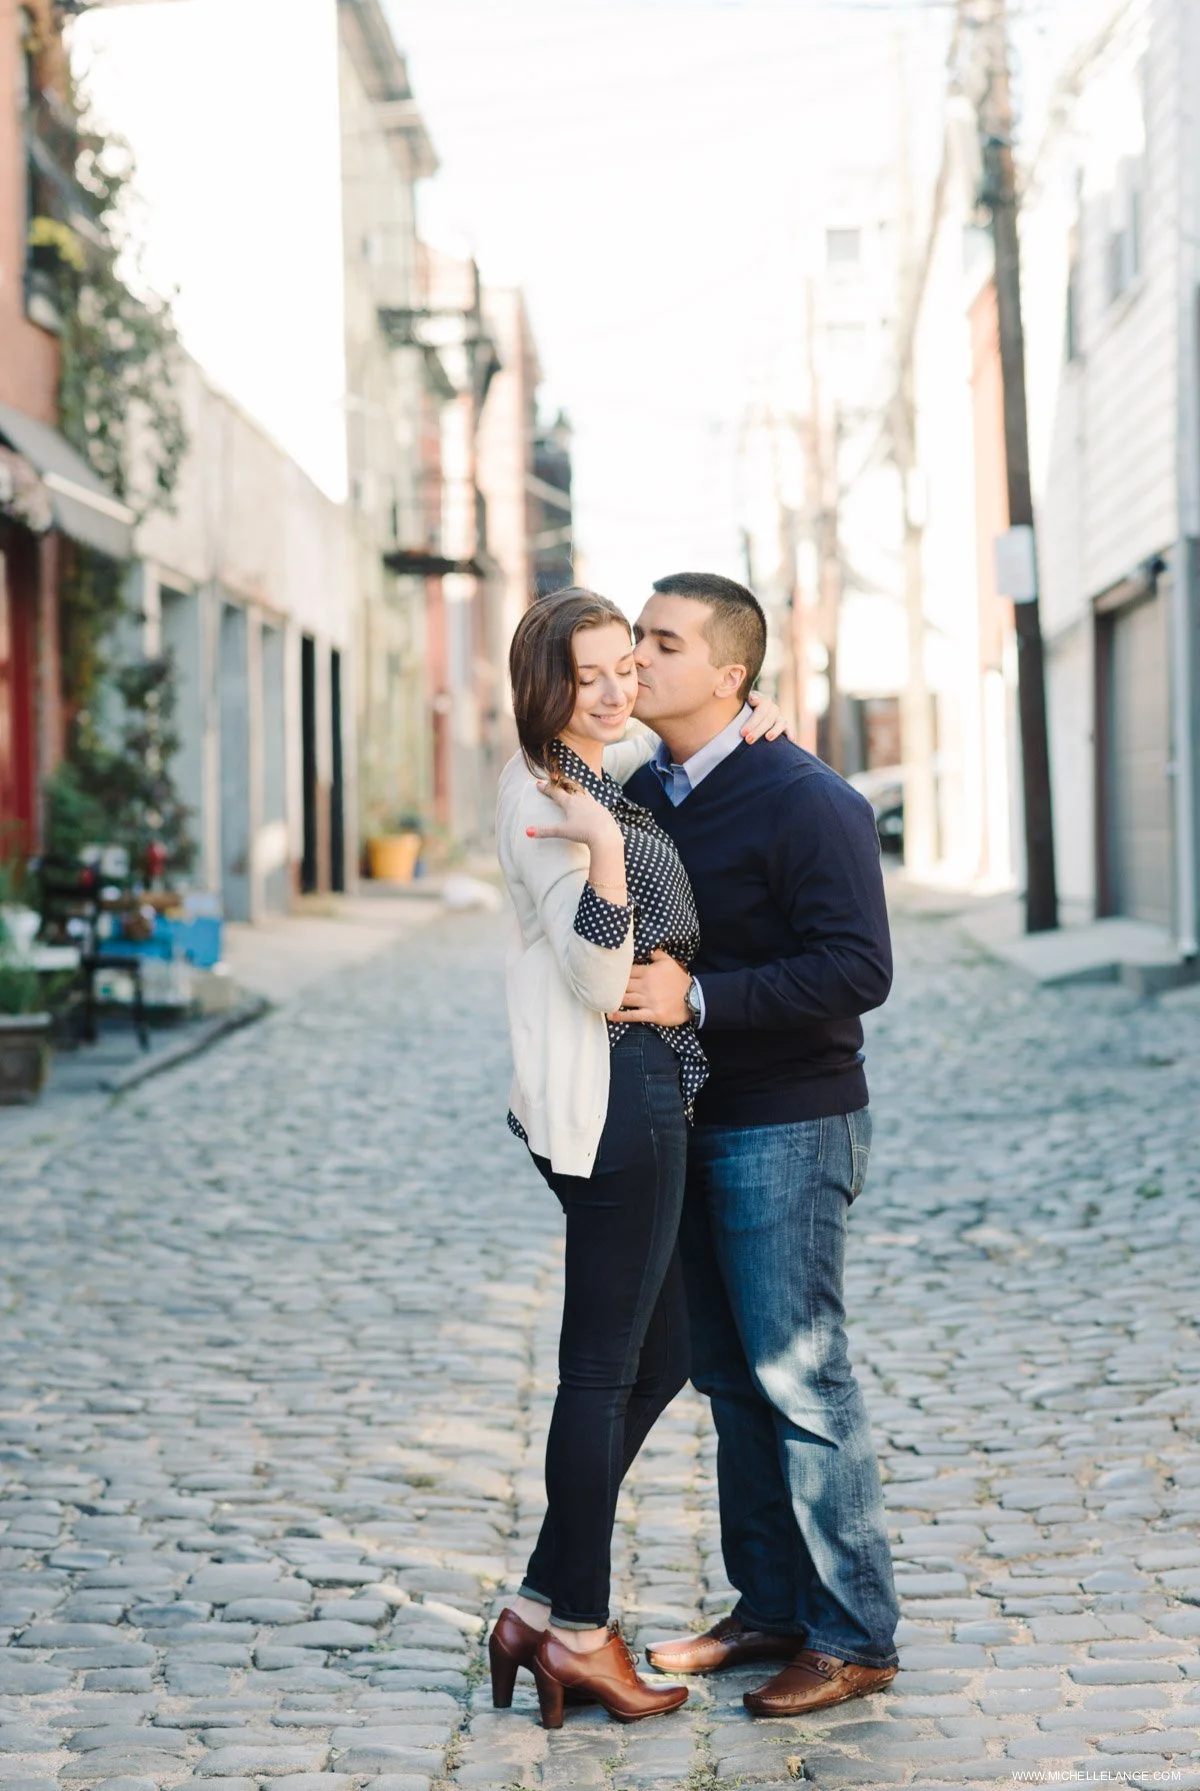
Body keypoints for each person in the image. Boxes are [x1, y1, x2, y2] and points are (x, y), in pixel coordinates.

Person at [489, 586, 785, 1728]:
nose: (617, 690)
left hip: (638, 1089)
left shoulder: (588, 774)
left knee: (662, 1351)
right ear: (545, 684)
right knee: (603, 1369)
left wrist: (754, 719)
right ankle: (578, 1630)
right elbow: (599, 974)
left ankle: (538, 1602)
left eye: (628, 666)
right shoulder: (553, 800)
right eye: (590, 674)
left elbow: (687, 745)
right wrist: (610, 849)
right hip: (616, 1097)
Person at [613, 571, 900, 1718]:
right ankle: (772, 1609)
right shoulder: (648, 790)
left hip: (791, 1118)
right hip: (692, 1117)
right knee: (731, 1379)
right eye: (637, 635)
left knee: (801, 1379)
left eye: (663, 642)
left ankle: (854, 1635)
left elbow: (858, 969)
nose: (638, 657)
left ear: (730, 675)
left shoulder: (808, 799)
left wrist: (697, 998)